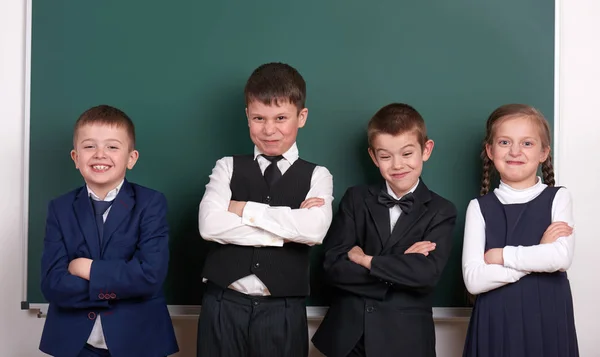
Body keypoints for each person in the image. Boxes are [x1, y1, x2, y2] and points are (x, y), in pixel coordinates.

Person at [197, 62, 334, 357]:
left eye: (281, 117)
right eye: (259, 117)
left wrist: (241, 208)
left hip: (283, 310)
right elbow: (209, 225)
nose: (269, 129)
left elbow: (314, 230)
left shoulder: (318, 175)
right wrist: (285, 232)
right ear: (247, 116)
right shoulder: (226, 167)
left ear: (302, 117)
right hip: (223, 304)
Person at [312, 103, 457, 357]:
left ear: (427, 150)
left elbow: (425, 275)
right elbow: (333, 267)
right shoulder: (356, 199)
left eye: (407, 154)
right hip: (349, 339)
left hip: (405, 339)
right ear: (373, 156)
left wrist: (365, 260)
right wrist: (400, 267)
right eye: (386, 156)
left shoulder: (442, 210)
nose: (397, 165)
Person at [39, 105, 178, 357]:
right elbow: (53, 284)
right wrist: (121, 285)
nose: (100, 154)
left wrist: (86, 269)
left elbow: (150, 276)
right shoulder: (59, 208)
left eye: (112, 147)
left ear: (131, 158)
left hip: (139, 342)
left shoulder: (150, 203)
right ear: (75, 157)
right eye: (89, 146)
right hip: (75, 345)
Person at [462, 104, 579, 357]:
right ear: (490, 151)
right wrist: (539, 253)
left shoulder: (559, 198)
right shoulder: (478, 207)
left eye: (527, 143)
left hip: (548, 319)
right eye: (504, 142)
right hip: (495, 321)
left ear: (543, 153)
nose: (515, 151)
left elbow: (561, 258)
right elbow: (474, 280)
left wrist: (501, 256)